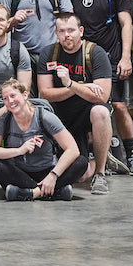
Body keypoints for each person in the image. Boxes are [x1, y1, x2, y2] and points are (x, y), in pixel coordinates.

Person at [67, 0, 133, 176]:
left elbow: (126, 23)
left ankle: (132, 155)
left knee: (118, 106)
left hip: (110, 58)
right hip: (82, 60)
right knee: (89, 108)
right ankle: (97, 155)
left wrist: (126, 57)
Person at [36, 12, 113, 195]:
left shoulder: (95, 53)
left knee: (101, 112)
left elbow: (101, 96)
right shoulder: (49, 53)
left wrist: (70, 83)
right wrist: (80, 87)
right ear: (56, 33)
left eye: (71, 30)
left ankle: (100, 173)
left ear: (81, 31)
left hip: (86, 114)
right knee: (79, 175)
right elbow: (46, 94)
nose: (67, 35)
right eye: (62, 31)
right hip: (61, 117)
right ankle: (98, 161)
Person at [0, 79, 88, 201]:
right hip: (21, 173)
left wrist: (53, 176)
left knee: (81, 162)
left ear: (25, 95)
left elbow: (72, 149)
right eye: (5, 98)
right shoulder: (3, 121)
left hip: (47, 170)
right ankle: (55, 192)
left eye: (13, 96)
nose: (10, 101)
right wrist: (19, 150)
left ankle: (29, 193)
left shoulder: (45, 117)